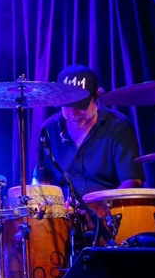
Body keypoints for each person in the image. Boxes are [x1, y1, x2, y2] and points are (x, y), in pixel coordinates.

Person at [33, 63, 145, 197]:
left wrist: (99, 207)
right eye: (67, 107)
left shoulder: (118, 126)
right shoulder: (49, 129)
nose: (73, 115)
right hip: (64, 214)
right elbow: (42, 180)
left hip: (110, 213)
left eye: (80, 107)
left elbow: (132, 182)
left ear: (96, 97)